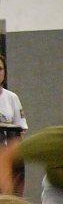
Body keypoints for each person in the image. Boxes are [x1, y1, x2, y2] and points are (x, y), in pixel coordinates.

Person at [0, 52, 27, 196]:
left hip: (8, 156)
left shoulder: (12, 98)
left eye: (0, 69)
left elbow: (20, 130)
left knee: (11, 197)